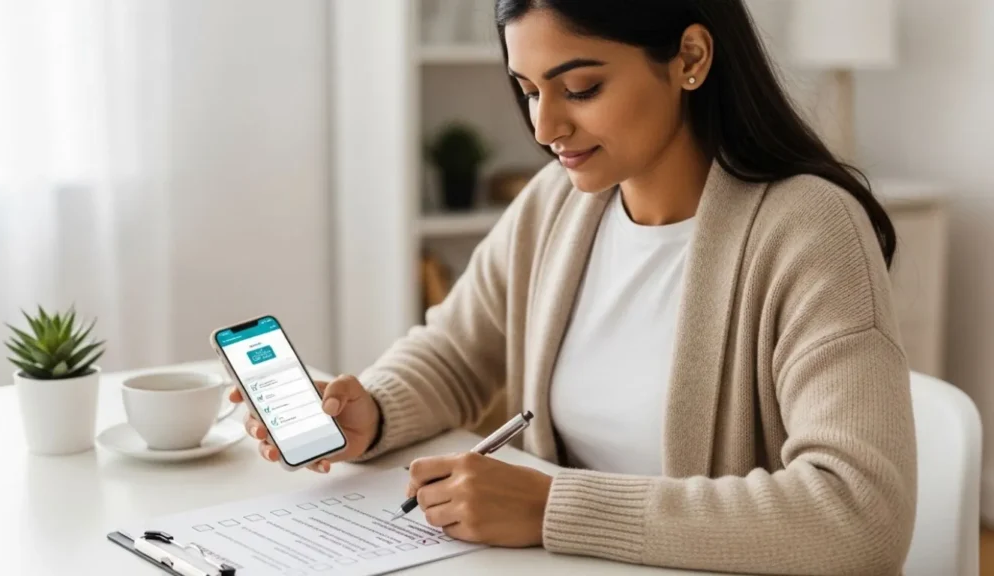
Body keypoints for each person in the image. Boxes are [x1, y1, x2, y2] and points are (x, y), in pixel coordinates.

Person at [230, 1, 917, 573]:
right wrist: (373, 411)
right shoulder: (557, 204)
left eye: (580, 88)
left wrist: (551, 508)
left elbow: (858, 512)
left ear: (691, 58)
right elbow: (458, 350)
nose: (543, 127)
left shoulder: (809, 229)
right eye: (528, 90)